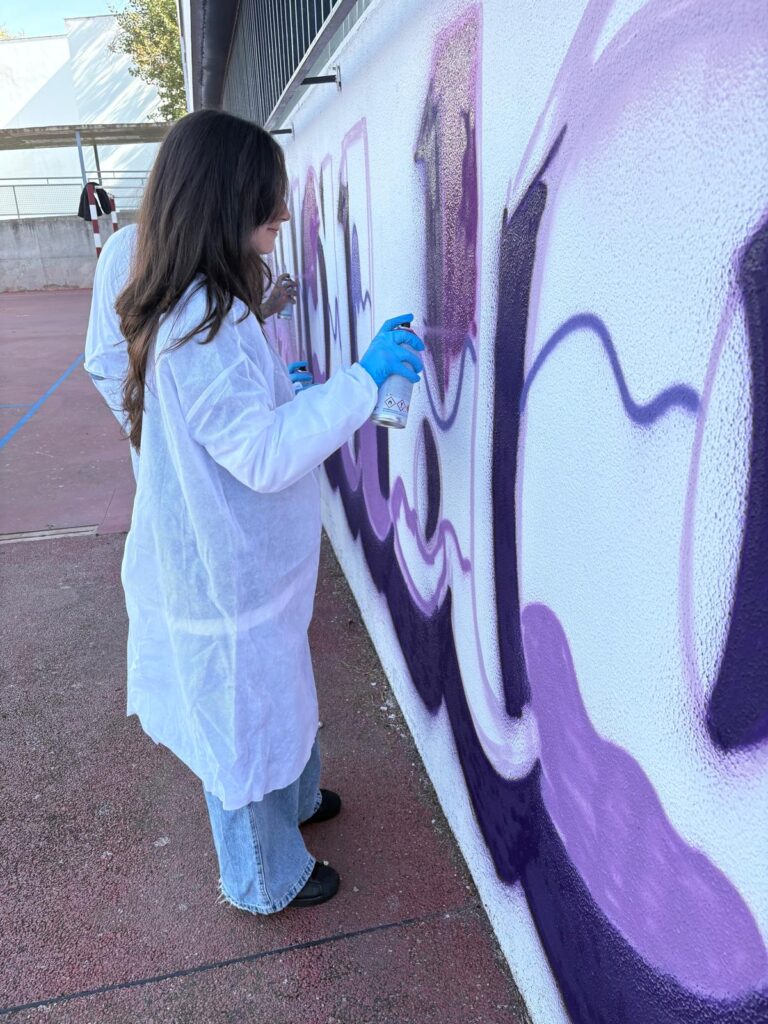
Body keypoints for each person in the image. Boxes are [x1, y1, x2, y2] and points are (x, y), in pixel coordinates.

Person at [101, 108, 424, 914]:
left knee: (278, 698)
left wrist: (294, 396)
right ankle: (263, 877)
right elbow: (264, 453)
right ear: (224, 203)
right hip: (225, 583)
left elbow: (244, 426)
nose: (283, 213)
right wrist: (360, 381)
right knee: (243, 731)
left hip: (248, 568)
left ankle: (297, 802)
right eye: (269, 201)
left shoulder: (209, 303)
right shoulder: (199, 324)